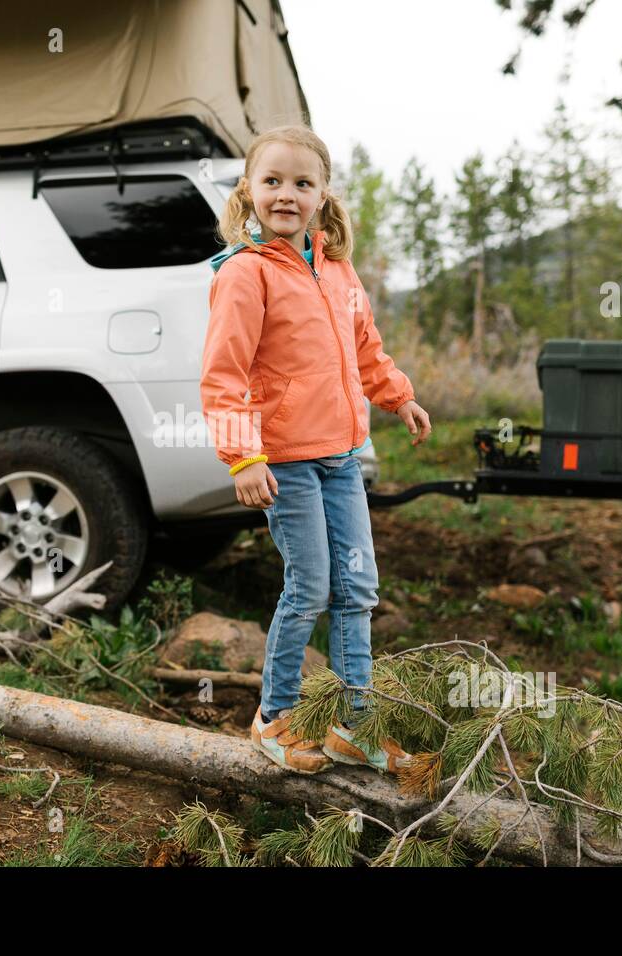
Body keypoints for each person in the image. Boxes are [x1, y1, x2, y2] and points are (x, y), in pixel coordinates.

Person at [200, 124, 433, 775]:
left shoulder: (336, 269)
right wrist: (243, 458)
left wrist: (399, 395)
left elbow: (364, 345)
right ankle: (274, 719)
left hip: (342, 460)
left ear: (322, 194)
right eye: (272, 181)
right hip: (285, 465)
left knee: (358, 586)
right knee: (310, 586)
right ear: (249, 190)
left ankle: (355, 727)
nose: (286, 194)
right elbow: (225, 376)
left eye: (302, 183)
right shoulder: (245, 275)